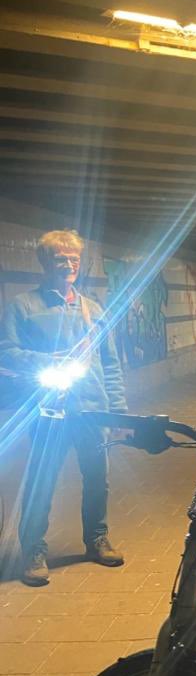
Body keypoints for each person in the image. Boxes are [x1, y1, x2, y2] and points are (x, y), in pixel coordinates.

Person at [0, 229, 127, 586]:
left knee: (97, 479)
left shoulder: (93, 308)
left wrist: (118, 410)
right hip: (48, 410)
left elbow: (110, 362)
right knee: (41, 482)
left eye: (74, 259)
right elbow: (6, 350)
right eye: (61, 259)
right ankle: (33, 551)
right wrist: (48, 360)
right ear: (45, 262)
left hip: (92, 408)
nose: (69, 265)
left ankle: (97, 539)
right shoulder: (24, 306)